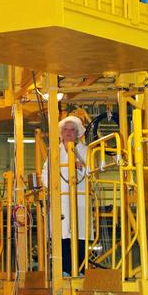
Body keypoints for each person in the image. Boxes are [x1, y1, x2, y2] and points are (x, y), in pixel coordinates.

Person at [41, 114, 88, 276]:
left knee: (80, 234)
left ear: (77, 133)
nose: (68, 133)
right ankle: (64, 270)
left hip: (80, 198)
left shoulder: (84, 151)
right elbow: (45, 173)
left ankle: (80, 270)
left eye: (72, 130)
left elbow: (90, 171)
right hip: (60, 199)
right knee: (62, 235)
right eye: (65, 130)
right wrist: (52, 187)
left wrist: (80, 167)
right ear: (61, 133)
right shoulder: (55, 151)